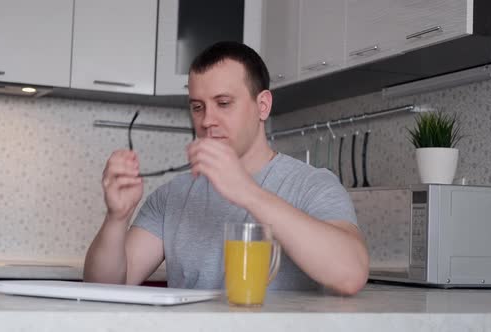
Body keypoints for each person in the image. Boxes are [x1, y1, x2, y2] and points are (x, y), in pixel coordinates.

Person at [84, 41, 369, 295]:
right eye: (197, 107)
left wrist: (246, 191)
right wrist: (116, 218)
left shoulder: (312, 185)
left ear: (263, 106)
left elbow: (350, 275)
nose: (207, 120)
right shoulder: (171, 196)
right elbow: (104, 288)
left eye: (223, 103)